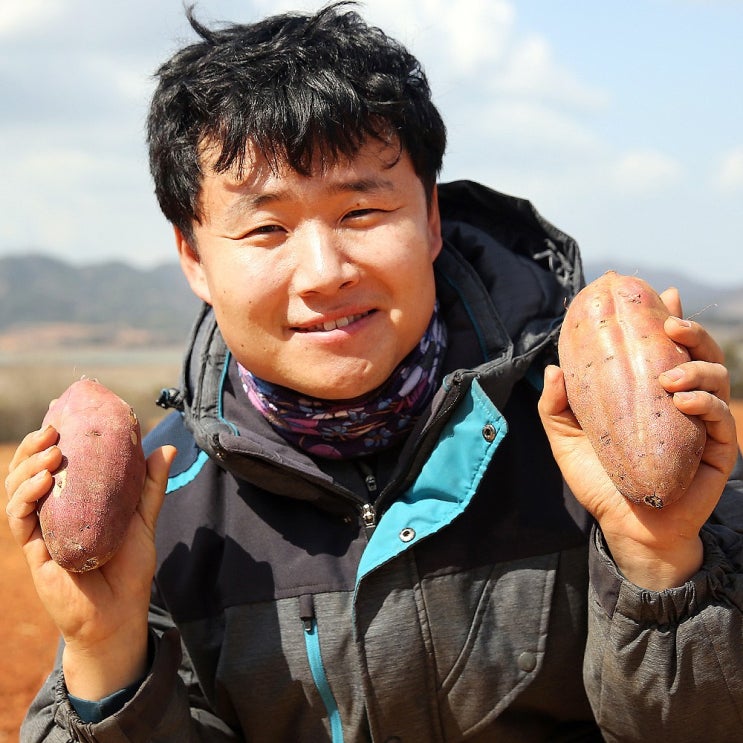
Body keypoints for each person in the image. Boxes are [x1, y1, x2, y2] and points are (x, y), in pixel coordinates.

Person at [5, 3, 743, 741]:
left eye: (360, 212)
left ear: (428, 216)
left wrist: (664, 562)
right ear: (194, 256)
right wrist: (105, 651)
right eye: (266, 228)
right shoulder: (161, 504)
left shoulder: (600, 436)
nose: (324, 273)